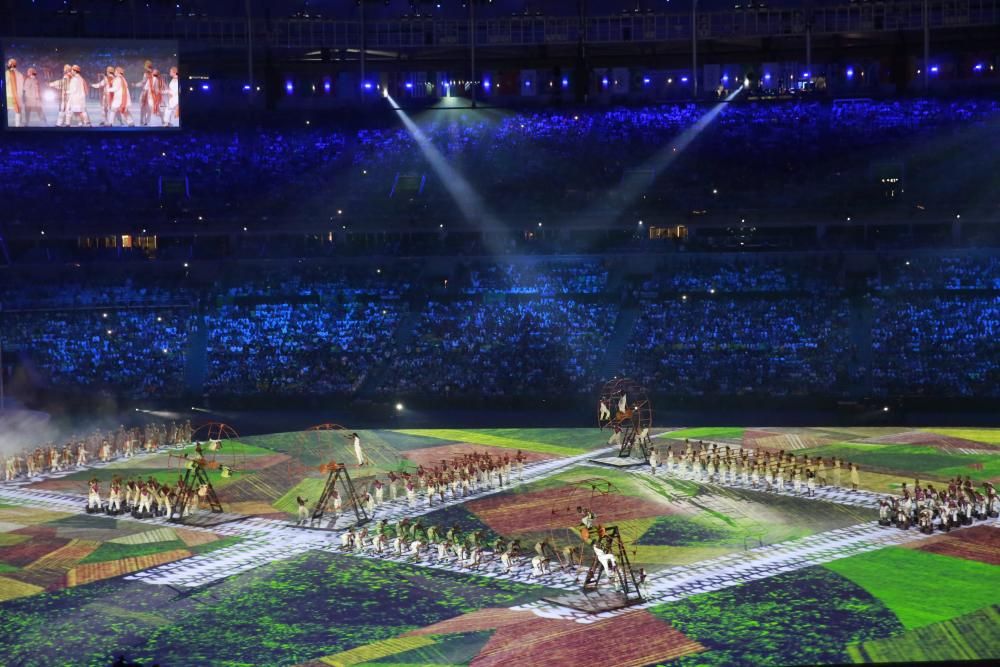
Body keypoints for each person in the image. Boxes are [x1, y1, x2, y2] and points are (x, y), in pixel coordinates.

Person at [5, 58, 24, 128]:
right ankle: (17, 126)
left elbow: (4, 83)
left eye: (8, 64)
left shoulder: (7, 73)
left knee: (5, 110)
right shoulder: (20, 74)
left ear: (10, 64)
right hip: (18, 96)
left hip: (9, 96)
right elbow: (22, 86)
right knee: (17, 112)